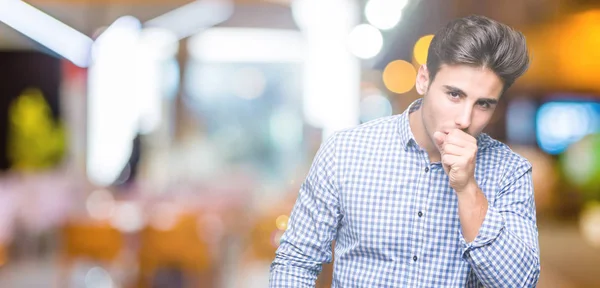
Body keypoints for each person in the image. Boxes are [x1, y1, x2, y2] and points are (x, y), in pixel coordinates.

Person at [269, 14, 540, 287]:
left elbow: (519, 283)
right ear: (423, 80)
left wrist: (468, 188)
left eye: (483, 104)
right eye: (454, 95)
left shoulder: (510, 172)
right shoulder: (345, 151)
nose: (465, 119)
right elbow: (296, 262)